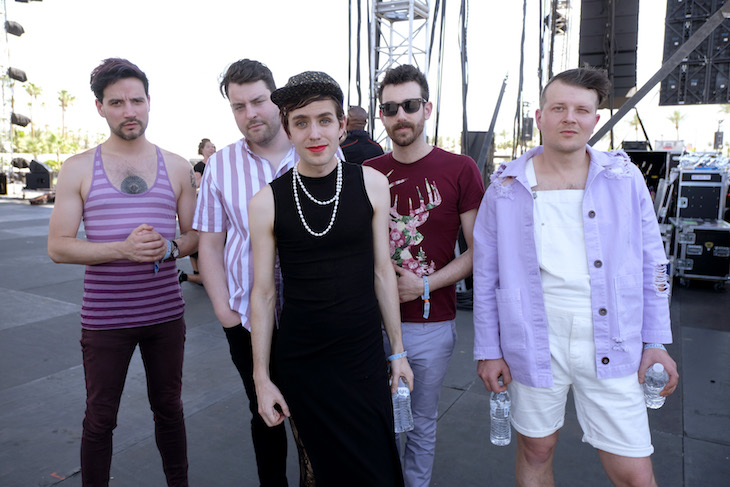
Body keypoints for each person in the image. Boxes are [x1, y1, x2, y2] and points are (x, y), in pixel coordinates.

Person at [472, 67, 679, 486]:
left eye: (582, 110)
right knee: (536, 448)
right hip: (532, 337)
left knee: (635, 469)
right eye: (559, 108)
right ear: (540, 117)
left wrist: (656, 342)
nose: (570, 118)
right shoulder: (505, 187)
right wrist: (488, 349)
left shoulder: (624, 179)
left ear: (595, 119)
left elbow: (653, 262)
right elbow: (487, 274)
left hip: (614, 334)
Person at [249, 71, 413, 486]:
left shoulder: (373, 184)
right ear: (288, 130)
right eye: (301, 122)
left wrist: (397, 352)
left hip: (362, 357)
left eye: (324, 120)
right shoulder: (266, 201)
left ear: (342, 126)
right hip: (303, 363)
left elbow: (382, 272)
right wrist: (261, 378)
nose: (314, 133)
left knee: (377, 469)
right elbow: (263, 294)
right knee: (317, 473)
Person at [47, 58, 198, 487]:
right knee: (100, 418)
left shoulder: (176, 166)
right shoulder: (79, 167)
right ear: (100, 107)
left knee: (169, 409)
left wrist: (169, 248)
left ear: (149, 102)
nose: (129, 111)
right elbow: (58, 246)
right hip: (105, 319)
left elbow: (195, 236)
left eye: (136, 100)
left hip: (165, 316)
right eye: (117, 102)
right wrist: (122, 250)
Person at [193, 59, 314, 486]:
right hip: (246, 318)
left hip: (312, 314)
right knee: (264, 413)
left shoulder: (313, 149)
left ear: (276, 99)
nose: (251, 114)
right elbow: (210, 244)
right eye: (238, 106)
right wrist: (225, 313)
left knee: (316, 412)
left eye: (259, 101)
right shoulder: (221, 166)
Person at [363, 64, 485, 487]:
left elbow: (480, 251)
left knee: (419, 422)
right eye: (390, 108)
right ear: (381, 115)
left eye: (410, 105)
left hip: (430, 325)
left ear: (427, 109)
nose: (401, 116)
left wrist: (425, 284)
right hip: (369, 322)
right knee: (372, 420)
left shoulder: (460, 169)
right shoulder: (368, 171)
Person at [179, 138, 215, 286]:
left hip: (216, 204)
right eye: (208, 146)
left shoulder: (217, 164)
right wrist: (207, 178)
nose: (212, 148)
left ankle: (198, 274)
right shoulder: (200, 166)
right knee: (198, 236)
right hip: (203, 205)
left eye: (213, 146)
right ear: (202, 150)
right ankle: (195, 273)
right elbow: (195, 185)